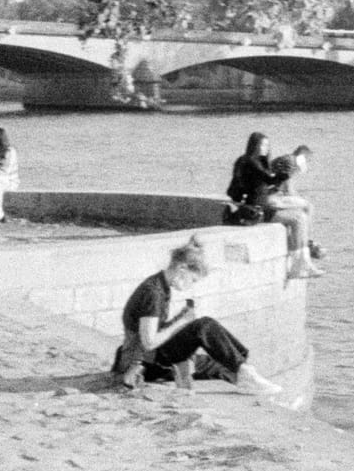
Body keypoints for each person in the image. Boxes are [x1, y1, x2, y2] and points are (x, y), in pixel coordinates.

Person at [113, 238, 281, 397]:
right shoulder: (153, 293)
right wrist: (182, 321)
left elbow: (153, 332)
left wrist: (179, 319)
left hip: (149, 357)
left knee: (219, 363)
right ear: (182, 269)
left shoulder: (160, 286)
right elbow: (148, 342)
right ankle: (246, 374)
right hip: (143, 364)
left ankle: (245, 375)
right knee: (204, 326)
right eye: (192, 280)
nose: (190, 286)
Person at [262, 143, 323, 279]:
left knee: (301, 207)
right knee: (308, 207)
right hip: (271, 198)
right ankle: (307, 241)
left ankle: (305, 241)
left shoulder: (287, 159)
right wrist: (299, 200)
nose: (307, 164)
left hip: (271, 195)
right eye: (307, 160)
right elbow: (288, 189)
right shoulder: (291, 162)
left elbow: (287, 188)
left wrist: (296, 199)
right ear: (302, 156)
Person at [224, 132, 278, 224]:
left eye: (267, 145)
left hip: (258, 203)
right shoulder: (253, 163)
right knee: (298, 217)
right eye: (263, 145)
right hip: (255, 208)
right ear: (255, 145)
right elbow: (270, 181)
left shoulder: (250, 160)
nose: (266, 148)